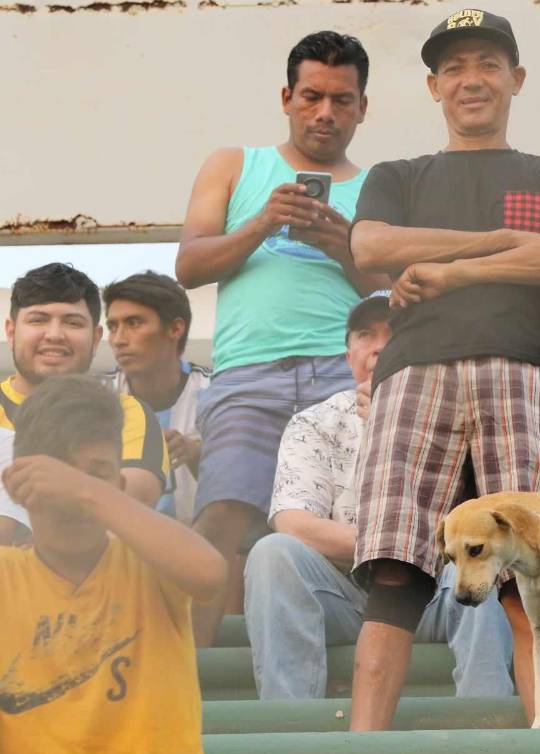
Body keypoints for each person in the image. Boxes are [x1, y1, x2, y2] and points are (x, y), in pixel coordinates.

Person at [347, 8, 540, 730]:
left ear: (515, 78)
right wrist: (501, 242)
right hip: (415, 372)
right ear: (434, 86)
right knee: (395, 571)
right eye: (454, 67)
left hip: (527, 371)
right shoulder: (397, 174)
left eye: (488, 64)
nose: (472, 79)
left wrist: (453, 271)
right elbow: (371, 246)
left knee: (534, 578)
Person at [175, 31, 387, 645]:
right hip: (249, 371)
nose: (325, 112)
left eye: (342, 100)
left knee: (352, 514)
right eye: (312, 96)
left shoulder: (382, 187)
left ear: (363, 107)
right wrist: (263, 222)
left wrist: (342, 245)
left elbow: (396, 294)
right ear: (286, 97)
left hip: (346, 373)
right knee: (222, 515)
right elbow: (189, 267)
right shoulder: (233, 164)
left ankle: (357, 647)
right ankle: (192, 675)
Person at [243, 294, 515, 700]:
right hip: (346, 595)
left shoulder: (465, 407)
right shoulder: (315, 422)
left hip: (441, 592)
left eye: (394, 331)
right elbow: (293, 522)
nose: (378, 346)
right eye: (365, 335)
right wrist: (389, 550)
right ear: (349, 355)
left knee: (482, 561)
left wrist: (396, 421)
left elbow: (488, 520)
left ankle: (486, 720)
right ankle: (291, 724)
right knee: (272, 553)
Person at [0, 376, 223, 754]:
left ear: (119, 489)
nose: (72, 498)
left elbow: (210, 574)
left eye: (96, 476)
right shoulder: (7, 577)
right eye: (55, 478)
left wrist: (84, 490)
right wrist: (90, 484)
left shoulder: (152, 560)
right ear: (16, 488)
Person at [1, 263, 168, 549]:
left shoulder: (126, 413)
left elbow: (130, 507)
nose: (54, 334)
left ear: (96, 337)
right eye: (38, 320)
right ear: (11, 330)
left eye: (73, 323)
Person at [104, 272, 210, 524]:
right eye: (113, 326)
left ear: (175, 328)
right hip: (115, 540)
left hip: (202, 542)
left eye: (133, 323)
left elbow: (243, 486)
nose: (118, 340)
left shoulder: (216, 392)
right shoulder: (95, 397)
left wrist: (194, 453)